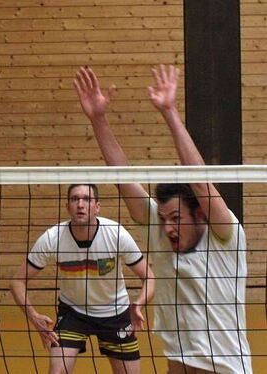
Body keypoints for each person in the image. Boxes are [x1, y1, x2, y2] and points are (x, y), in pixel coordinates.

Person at [75, 65, 253, 373]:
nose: (168, 227)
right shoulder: (159, 231)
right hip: (178, 364)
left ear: (199, 214)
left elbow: (199, 182)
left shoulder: (225, 236)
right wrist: (98, 119)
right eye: (163, 218)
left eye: (176, 218)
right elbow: (123, 179)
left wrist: (170, 112)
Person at [10, 184, 154, 374]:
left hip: (116, 313)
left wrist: (139, 304)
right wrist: (34, 317)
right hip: (73, 313)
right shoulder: (53, 237)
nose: (80, 204)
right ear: (67, 206)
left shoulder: (116, 233)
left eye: (86, 199)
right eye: (74, 199)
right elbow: (17, 281)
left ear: (97, 206)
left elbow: (149, 277)